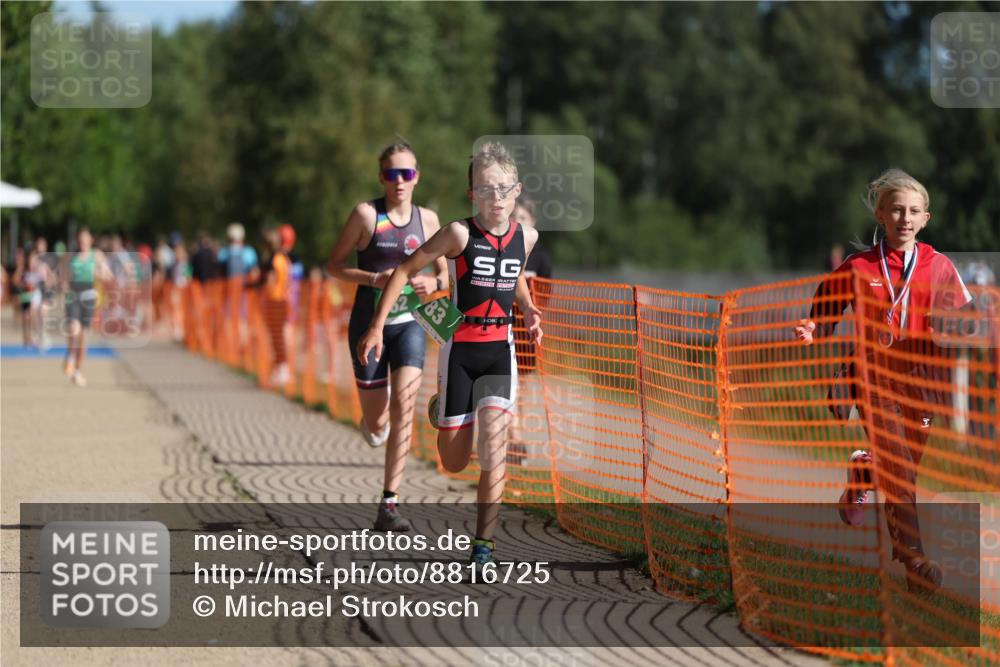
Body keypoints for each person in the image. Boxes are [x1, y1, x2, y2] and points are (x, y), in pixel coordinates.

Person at [357, 142, 543, 570]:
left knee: (493, 453)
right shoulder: (460, 234)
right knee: (454, 460)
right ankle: (444, 409)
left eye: (503, 189)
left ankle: (483, 548)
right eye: (486, 189)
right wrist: (375, 326)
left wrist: (529, 309)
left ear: (517, 192)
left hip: (500, 353)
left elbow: (514, 279)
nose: (496, 198)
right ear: (472, 195)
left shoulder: (527, 238)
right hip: (460, 353)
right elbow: (404, 269)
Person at [794, 168, 972, 594]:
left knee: (904, 467)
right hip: (875, 379)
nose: (904, 218)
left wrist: (964, 327)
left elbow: (967, 318)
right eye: (896, 210)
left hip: (922, 380)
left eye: (913, 211)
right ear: (880, 213)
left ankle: (863, 470)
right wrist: (814, 328)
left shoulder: (940, 266)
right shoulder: (860, 266)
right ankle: (914, 563)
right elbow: (825, 305)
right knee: (900, 473)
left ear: (926, 218)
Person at [327, 143, 449, 532]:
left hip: (410, 322)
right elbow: (334, 266)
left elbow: (446, 275)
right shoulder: (367, 215)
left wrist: (435, 281)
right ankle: (372, 424)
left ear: (417, 177)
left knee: (405, 407)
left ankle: (389, 504)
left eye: (407, 174)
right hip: (369, 325)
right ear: (381, 177)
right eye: (392, 174)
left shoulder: (428, 220)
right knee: (379, 420)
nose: (400, 181)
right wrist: (373, 279)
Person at [60, 227, 111, 387]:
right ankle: (70, 355)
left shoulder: (96, 255)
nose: (82, 243)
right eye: (80, 240)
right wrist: (64, 285)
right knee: (73, 330)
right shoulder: (71, 256)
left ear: (90, 241)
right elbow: (63, 274)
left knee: (83, 337)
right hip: (73, 295)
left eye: (85, 240)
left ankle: (78, 371)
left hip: (89, 296)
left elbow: (107, 274)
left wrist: (100, 272)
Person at [262, 227, 292, 386]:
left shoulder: (274, 260)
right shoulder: (283, 259)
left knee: (277, 337)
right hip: (281, 301)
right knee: (278, 336)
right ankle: (280, 367)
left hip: (275, 302)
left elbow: (270, 282)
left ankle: (283, 368)